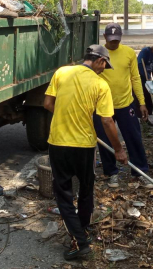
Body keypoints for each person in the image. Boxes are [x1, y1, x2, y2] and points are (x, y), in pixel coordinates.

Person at [43, 45, 128, 261]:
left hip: (59, 144)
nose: (104, 70)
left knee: (63, 194)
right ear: (99, 61)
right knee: (86, 190)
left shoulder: (62, 72)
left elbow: (47, 103)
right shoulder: (100, 84)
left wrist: (65, 114)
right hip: (84, 147)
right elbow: (107, 121)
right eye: (105, 66)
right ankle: (81, 238)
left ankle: (78, 236)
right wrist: (118, 150)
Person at [94, 23, 153, 189]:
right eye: (111, 40)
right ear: (105, 37)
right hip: (103, 106)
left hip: (126, 104)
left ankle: (140, 172)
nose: (114, 43)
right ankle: (111, 173)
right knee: (105, 141)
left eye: (117, 40)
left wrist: (141, 102)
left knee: (134, 138)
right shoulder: (98, 53)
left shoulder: (128, 53)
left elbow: (135, 78)